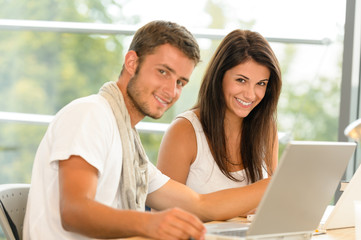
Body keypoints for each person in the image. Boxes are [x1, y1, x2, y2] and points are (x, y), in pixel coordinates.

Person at [23, 22, 270, 240]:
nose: (170, 90)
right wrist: (151, 223)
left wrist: (277, 185)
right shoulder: (90, 114)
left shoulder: (131, 149)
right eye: (163, 72)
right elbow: (75, 212)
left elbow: (200, 204)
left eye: (180, 82)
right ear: (132, 62)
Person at [157, 30, 281, 196]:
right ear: (219, 76)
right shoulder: (183, 131)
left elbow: (271, 201)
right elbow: (163, 212)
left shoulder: (266, 129)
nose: (251, 95)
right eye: (241, 80)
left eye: (261, 83)